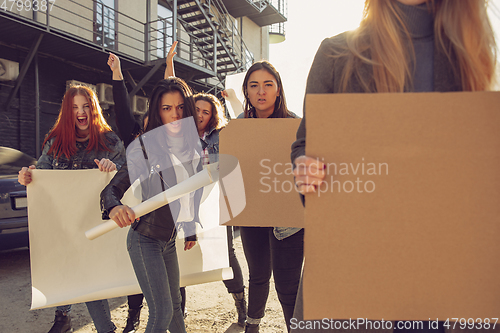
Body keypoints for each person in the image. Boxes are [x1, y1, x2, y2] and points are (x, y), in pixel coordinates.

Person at [291, 0, 497, 332]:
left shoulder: (468, 54)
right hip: (359, 269)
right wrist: (306, 168)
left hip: (443, 276)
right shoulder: (337, 53)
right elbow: (306, 143)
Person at [18, 85, 126, 333]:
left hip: (97, 222)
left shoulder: (110, 141)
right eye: (76, 107)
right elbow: (40, 174)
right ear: (68, 111)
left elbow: (127, 178)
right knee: (69, 265)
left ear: (94, 109)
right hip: (65, 222)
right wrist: (27, 176)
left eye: (86, 106)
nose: (81, 112)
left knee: (89, 275)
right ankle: (65, 318)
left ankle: (95, 326)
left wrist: (113, 168)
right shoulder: (55, 142)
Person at [100, 72, 202, 333]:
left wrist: (190, 227)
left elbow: (191, 193)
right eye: (167, 108)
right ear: (158, 112)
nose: (175, 115)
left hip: (168, 241)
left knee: (176, 304)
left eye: (181, 107)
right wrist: (115, 207)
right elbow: (110, 191)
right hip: (144, 239)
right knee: (162, 311)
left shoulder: (193, 147)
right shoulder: (145, 148)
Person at [162, 41, 249, 326]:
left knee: (225, 252)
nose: (199, 115)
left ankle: (240, 303)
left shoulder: (220, 136)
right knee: (177, 253)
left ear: (212, 116)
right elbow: (170, 92)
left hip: (214, 203)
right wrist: (169, 66)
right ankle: (180, 311)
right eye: (196, 110)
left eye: (206, 111)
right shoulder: (180, 135)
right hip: (183, 201)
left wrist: (235, 99)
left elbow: (244, 133)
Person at [236, 60, 304, 333]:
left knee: (288, 287)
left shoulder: (295, 125)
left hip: (288, 219)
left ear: (278, 90)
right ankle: (253, 324)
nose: (261, 91)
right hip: (252, 213)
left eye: (268, 85)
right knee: (258, 275)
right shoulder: (237, 127)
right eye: (254, 86)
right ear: (247, 92)